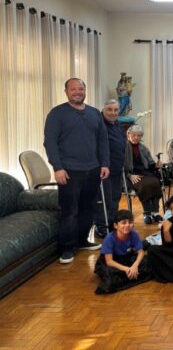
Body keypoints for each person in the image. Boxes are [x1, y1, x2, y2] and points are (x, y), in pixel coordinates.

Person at [44, 77, 109, 264]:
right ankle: (67, 248)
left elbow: (103, 140)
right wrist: (57, 168)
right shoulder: (57, 114)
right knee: (70, 211)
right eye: (73, 89)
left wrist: (104, 163)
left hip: (93, 169)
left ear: (85, 90)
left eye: (80, 89)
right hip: (69, 171)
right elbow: (50, 143)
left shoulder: (95, 113)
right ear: (66, 92)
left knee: (88, 208)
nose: (77, 92)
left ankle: (82, 241)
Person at [94, 209, 151, 294]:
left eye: (130, 222)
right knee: (110, 276)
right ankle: (131, 275)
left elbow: (141, 252)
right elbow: (109, 261)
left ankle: (130, 274)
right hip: (113, 261)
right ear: (116, 225)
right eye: (124, 223)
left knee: (149, 262)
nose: (127, 225)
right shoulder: (109, 238)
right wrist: (126, 269)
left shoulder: (134, 234)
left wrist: (135, 266)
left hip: (127, 258)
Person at [94, 99, 127, 238]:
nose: (113, 113)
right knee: (104, 199)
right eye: (109, 109)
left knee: (115, 198)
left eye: (116, 110)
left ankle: (112, 223)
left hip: (117, 167)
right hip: (104, 168)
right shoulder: (98, 123)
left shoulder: (118, 124)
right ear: (103, 109)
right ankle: (101, 226)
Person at [124, 125, 164, 225]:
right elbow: (119, 166)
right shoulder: (123, 146)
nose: (136, 137)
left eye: (139, 135)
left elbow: (150, 164)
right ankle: (147, 214)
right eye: (134, 135)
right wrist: (129, 175)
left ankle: (155, 212)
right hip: (131, 176)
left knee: (156, 182)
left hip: (144, 173)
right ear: (128, 135)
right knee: (145, 185)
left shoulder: (143, 148)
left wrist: (156, 165)